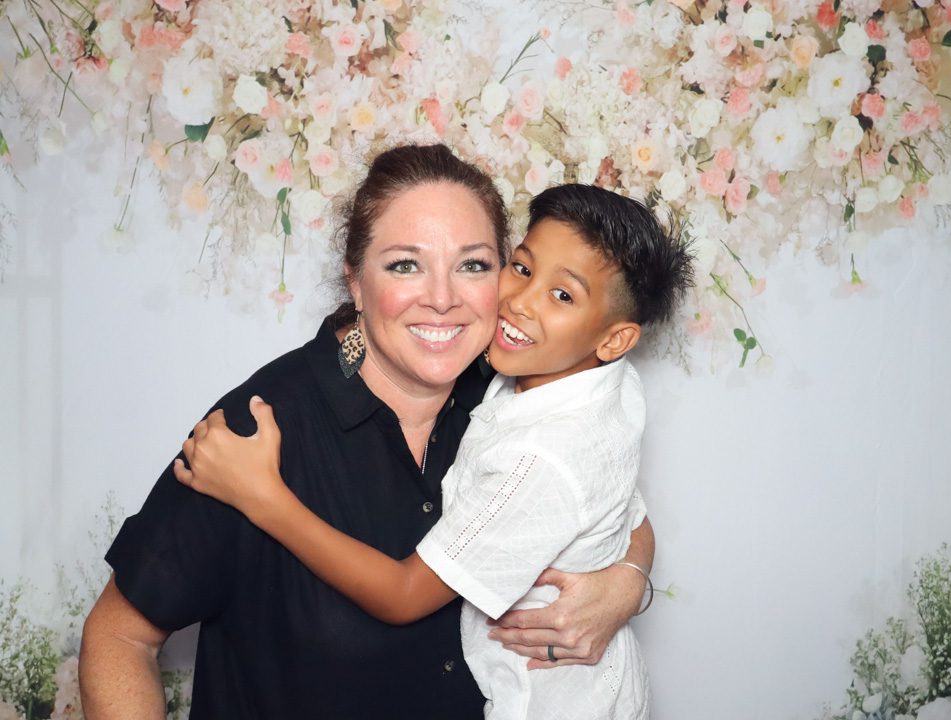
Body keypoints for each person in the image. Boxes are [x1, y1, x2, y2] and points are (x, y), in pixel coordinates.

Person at [79, 145, 656, 719]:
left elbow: (611, 497)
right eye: (405, 265)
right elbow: (119, 636)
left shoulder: (516, 389)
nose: (442, 298)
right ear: (355, 281)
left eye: (473, 265)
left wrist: (626, 583)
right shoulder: (258, 434)